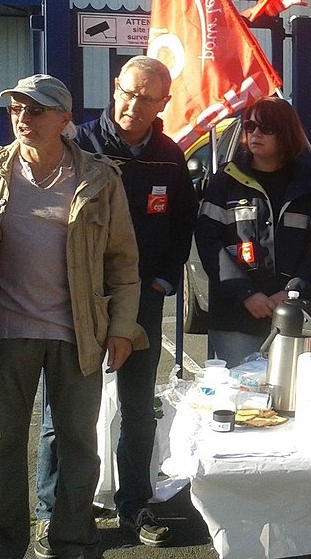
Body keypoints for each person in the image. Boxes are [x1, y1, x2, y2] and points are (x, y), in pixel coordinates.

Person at [0, 74, 144, 559]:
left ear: (64, 118)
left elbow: (123, 264)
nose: (23, 118)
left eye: (36, 110)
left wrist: (122, 328)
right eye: (16, 108)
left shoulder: (99, 178)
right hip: (4, 332)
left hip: (77, 333)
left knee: (78, 446)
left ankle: (72, 540)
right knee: (0, 445)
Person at [32, 56, 198, 547]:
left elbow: (181, 224)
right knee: (62, 412)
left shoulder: (169, 157)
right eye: (127, 92)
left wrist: (162, 282)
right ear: (114, 88)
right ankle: (54, 510)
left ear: (164, 103)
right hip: (78, 298)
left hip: (141, 299)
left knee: (138, 408)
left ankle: (134, 504)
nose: (133, 105)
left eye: (147, 98)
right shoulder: (79, 145)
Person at [196, 97, 311, 362]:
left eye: (266, 128)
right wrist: (246, 294)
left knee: (290, 386)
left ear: (286, 132)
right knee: (242, 386)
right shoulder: (226, 181)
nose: (255, 133)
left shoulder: (309, 185)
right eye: (250, 126)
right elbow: (208, 241)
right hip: (235, 316)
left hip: (293, 314)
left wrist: (292, 291)